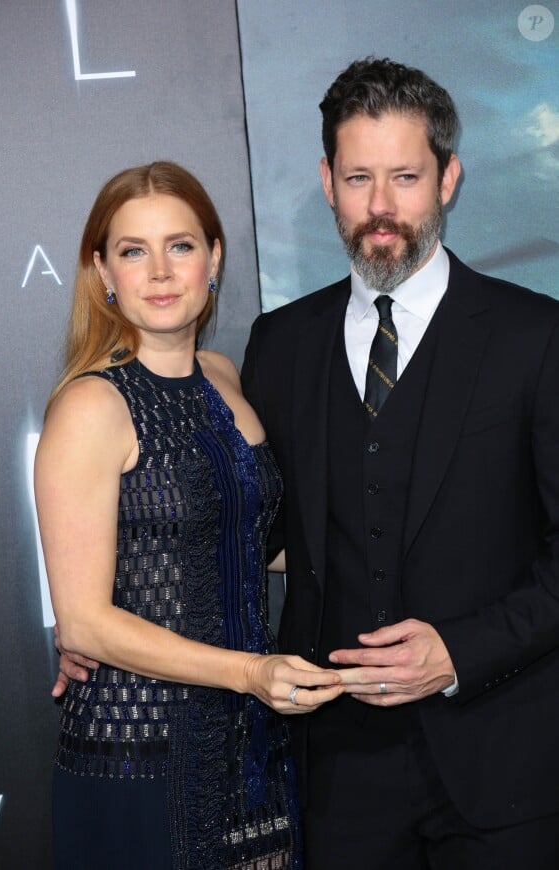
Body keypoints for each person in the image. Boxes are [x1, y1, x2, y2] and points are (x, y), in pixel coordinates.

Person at [238, 58, 559, 868]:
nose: (381, 207)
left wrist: (462, 652)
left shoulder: (537, 337)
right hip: (335, 771)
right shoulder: (280, 345)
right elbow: (251, 534)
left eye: (406, 176)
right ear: (326, 181)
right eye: (358, 178)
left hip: (503, 766)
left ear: (449, 178)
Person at [35, 161, 342, 869]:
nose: (160, 271)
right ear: (102, 271)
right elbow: (82, 622)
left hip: (252, 744)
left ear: (214, 257)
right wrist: (249, 673)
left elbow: (253, 543)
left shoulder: (227, 376)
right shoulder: (92, 406)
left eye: (180, 245)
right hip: (137, 747)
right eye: (132, 251)